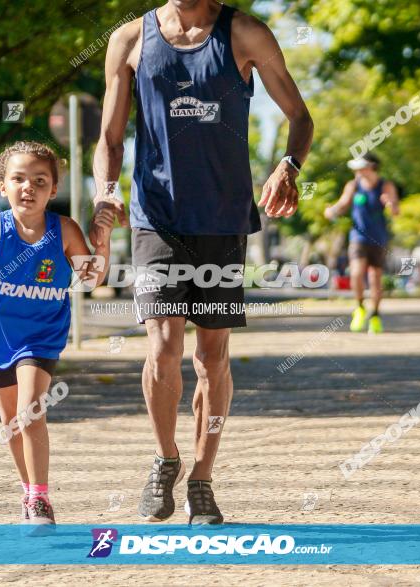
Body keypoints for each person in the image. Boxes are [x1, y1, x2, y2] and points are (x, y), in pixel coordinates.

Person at [89, 0, 312, 524]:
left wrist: (288, 165)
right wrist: (105, 192)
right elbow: (109, 138)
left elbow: (300, 116)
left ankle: (203, 479)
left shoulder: (246, 34)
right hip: (156, 216)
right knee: (163, 346)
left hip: (223, 216)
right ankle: (166, 458)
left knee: (212, 358)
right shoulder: (129, 39)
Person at [0, 141, 114, 533]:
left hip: (42, 337)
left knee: (29, 411)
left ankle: (40, 496)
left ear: (53, 190)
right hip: (0, 337)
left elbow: (91, 279)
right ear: (3, 187)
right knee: (11, 423)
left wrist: (102, 245)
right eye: (18, 179)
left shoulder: (64, 230)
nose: (29, 187)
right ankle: (29, 491)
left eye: (40, 180)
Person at [324, 152, 399, 333]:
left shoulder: (385, 185)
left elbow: (396, 210)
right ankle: (359, 307)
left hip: (379, 238)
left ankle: (375, 315)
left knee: (375, 278)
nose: (357, 171)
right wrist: (332, 211)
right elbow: (343, 204)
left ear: (370, 166)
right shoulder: (353, 185)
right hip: (358, 237)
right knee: (356, 273)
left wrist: (390, 204)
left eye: (360, 167)